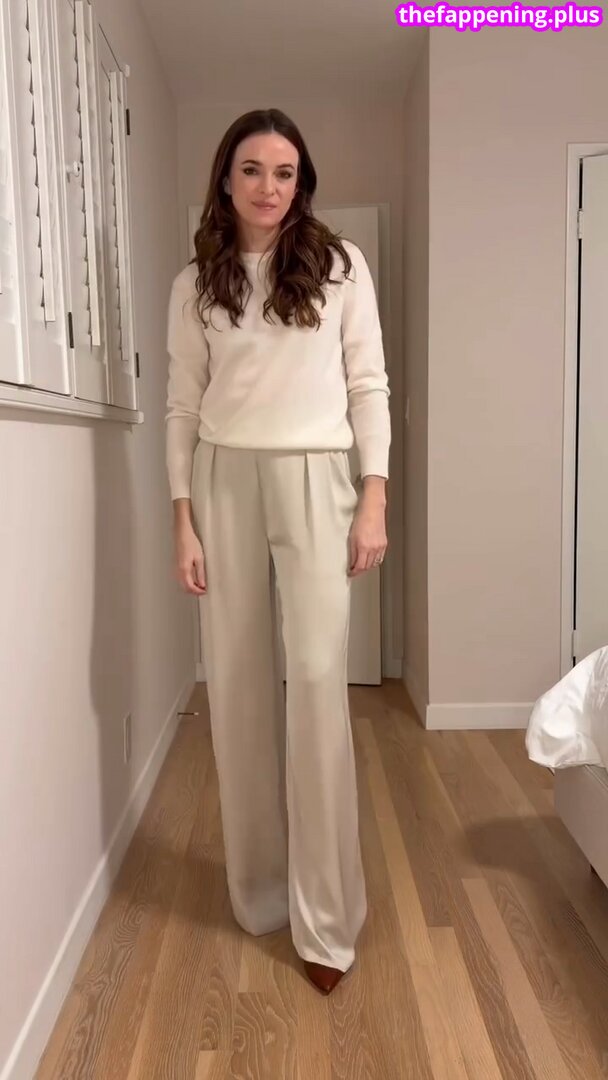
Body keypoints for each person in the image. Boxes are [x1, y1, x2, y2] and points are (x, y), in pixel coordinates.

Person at [165, 108, 391, 995]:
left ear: (303, 184)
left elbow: (368, 385)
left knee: (319, 686)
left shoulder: (340, 267)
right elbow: (183, 406)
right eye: (253, 169)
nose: (269, 187)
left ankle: (327, 920)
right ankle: (260, 893)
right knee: (238, 689)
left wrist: (372, 500)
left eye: (285, 172)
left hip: (316, 476)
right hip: (222, 479)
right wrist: (183, 517)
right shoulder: (196, 283)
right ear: (226, 179)